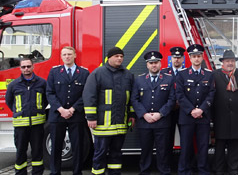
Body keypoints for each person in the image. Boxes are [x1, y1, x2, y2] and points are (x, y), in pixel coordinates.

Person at [83, 46, 135, 175]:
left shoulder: (128, 74)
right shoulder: (98, 73)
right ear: (109, 58)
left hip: (121, 124)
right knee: (100, 153)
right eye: (116, 56)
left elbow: (133, 97)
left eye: (121, 56)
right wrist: (91, 117)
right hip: (102, 124)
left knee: (116, 153)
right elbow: (89, 96)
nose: (119, 58)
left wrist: (132, 115)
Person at [46, 46, 90, 175]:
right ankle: (55, 172)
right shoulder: (54, 72)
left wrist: (72, 109)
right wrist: (61, 109)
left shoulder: (84, 73)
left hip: (76, 116)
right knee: (56, 147)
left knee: (77, 146)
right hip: (57, 115)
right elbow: (50, 93)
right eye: (64, 54)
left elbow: (85, 94)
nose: (67, 57)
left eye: (69, 54)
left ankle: (77, 172)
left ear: (75, 55)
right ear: (61, 56)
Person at [131, 51, 176, 175]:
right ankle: (145, 171)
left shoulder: (169, 79)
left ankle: (164, 172)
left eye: (156, 62)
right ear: (147, 65)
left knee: (163, 151)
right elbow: (134, 99)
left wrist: (160, 114)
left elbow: (172, 100)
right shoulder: (139, 79)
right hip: (144, 122)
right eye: (151, 63)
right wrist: (144, 114)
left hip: (162, 122)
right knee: (145, 150)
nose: (153, 65)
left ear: (160, 64)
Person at [213, 49, 238, 175]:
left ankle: (233, 169)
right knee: (219, 147)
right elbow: (210, 94)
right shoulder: (215, 75)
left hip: (237, 117)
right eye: (227, 61)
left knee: (235, 147)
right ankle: (218, 170)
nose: (230, 63)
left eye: (232, 61)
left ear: (235, 62)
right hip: (220, 117)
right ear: (222, 63)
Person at [176, 44, 215, 175]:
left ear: (202, 57)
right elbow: (179, 95)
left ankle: (203, 170)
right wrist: (192, 110)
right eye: (194, 56)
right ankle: (184, 170)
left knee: (203, 146)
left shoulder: (209, 75)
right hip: (187, 117)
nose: (197, 59)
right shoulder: (182, 74)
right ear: (190, 58)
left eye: (199, 56)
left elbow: (211, 94)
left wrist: (201, 110)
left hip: (203, 116)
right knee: (186, 146)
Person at [6, 58, 47, 175]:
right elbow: (9, 102)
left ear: (33, 67)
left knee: (37, 153)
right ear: (20, 68)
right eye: (23, 67)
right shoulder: (13, 85)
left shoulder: (42, 83)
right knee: (20, 153)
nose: (26, 69)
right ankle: (20, 173)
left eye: (28, 66)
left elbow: (46, 101)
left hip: (37, 125)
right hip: (20, 125)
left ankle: (37, 173)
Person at [161, 46, 186, 164]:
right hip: (169, 111)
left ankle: (186, 165)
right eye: (174, 57)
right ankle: (168, 165)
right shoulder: (164, 73)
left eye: (179, 57)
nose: (177, 60)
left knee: (186, 139)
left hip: (183, 111)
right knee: (167, 140)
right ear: (171, 58)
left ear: (183, 59)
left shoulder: (187, 72)